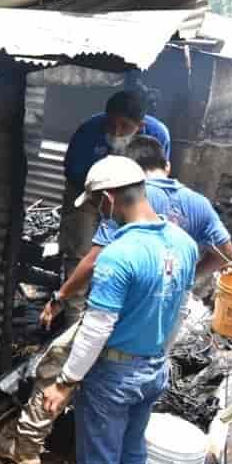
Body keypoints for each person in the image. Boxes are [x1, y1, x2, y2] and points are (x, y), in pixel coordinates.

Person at [0, 137, 232, 464]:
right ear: (166, 165)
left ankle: (28, 446)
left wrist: (60, 299)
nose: (98, 211)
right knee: (128, 435)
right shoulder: (195, 207)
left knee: (56, 364)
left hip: (119, 319)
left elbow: (95, 268)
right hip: (157, 333)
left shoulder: (124, 210)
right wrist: (182, 280)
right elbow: (226, 252)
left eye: (96, 204)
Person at [32, 157, 198, 464]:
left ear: (109, 199)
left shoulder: (119, 255)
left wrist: (66, 382)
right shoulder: (184, 244)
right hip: (153, 368)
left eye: (96, 204)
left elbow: (95, 329)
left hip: (114, 376)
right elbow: (180, 311)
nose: (97, 212)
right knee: (132, 456)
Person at [59, 90, 171, 324]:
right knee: (80, 249)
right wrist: (100, 189)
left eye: (124, 126)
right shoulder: (89, 129)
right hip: (88, 192)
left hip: (130, 198)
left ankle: (110, 309)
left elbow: (157, 177)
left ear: (140, 126)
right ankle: (73, 315)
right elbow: (72, 170)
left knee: (125, 251)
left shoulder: (158, 134)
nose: (116, 131)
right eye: (111, 123)